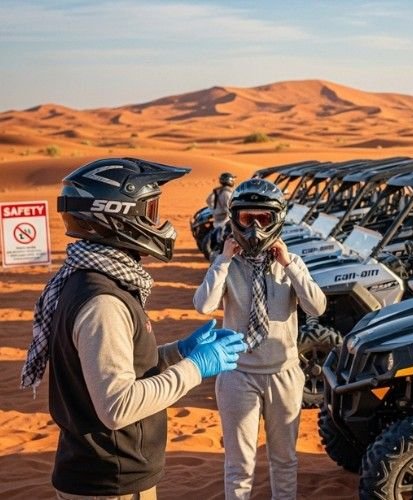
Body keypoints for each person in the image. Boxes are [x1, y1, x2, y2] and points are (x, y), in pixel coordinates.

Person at [20, 157, 248, 499]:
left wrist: (176, 353)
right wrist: (195, 367)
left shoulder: (87, 280)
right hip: (110, 484)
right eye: (150, 211)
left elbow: (107, 366)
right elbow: (118, 406)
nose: (158, 223)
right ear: (117, 215)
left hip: (105, 475)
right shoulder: (102, 302)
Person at [194, 178, 326, 500]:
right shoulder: (227, 266)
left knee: (284, 460)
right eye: (246, 218)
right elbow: (204, 305)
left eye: (263, 218)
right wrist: (224, 260)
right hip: (239, 375)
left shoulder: (291, 264)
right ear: (235, 218)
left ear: (276, 219)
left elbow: (316, 307)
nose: (254, 227)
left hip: (284, 373)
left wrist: (289, 265)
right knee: (239, 464)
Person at [206, 172, 237, 250]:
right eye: (232, 180)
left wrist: (213, 209)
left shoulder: (218, 191)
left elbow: (208, 200)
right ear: (229, 181)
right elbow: (228, 207)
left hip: (217, 216)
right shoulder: (227, 193)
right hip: (224, 217)